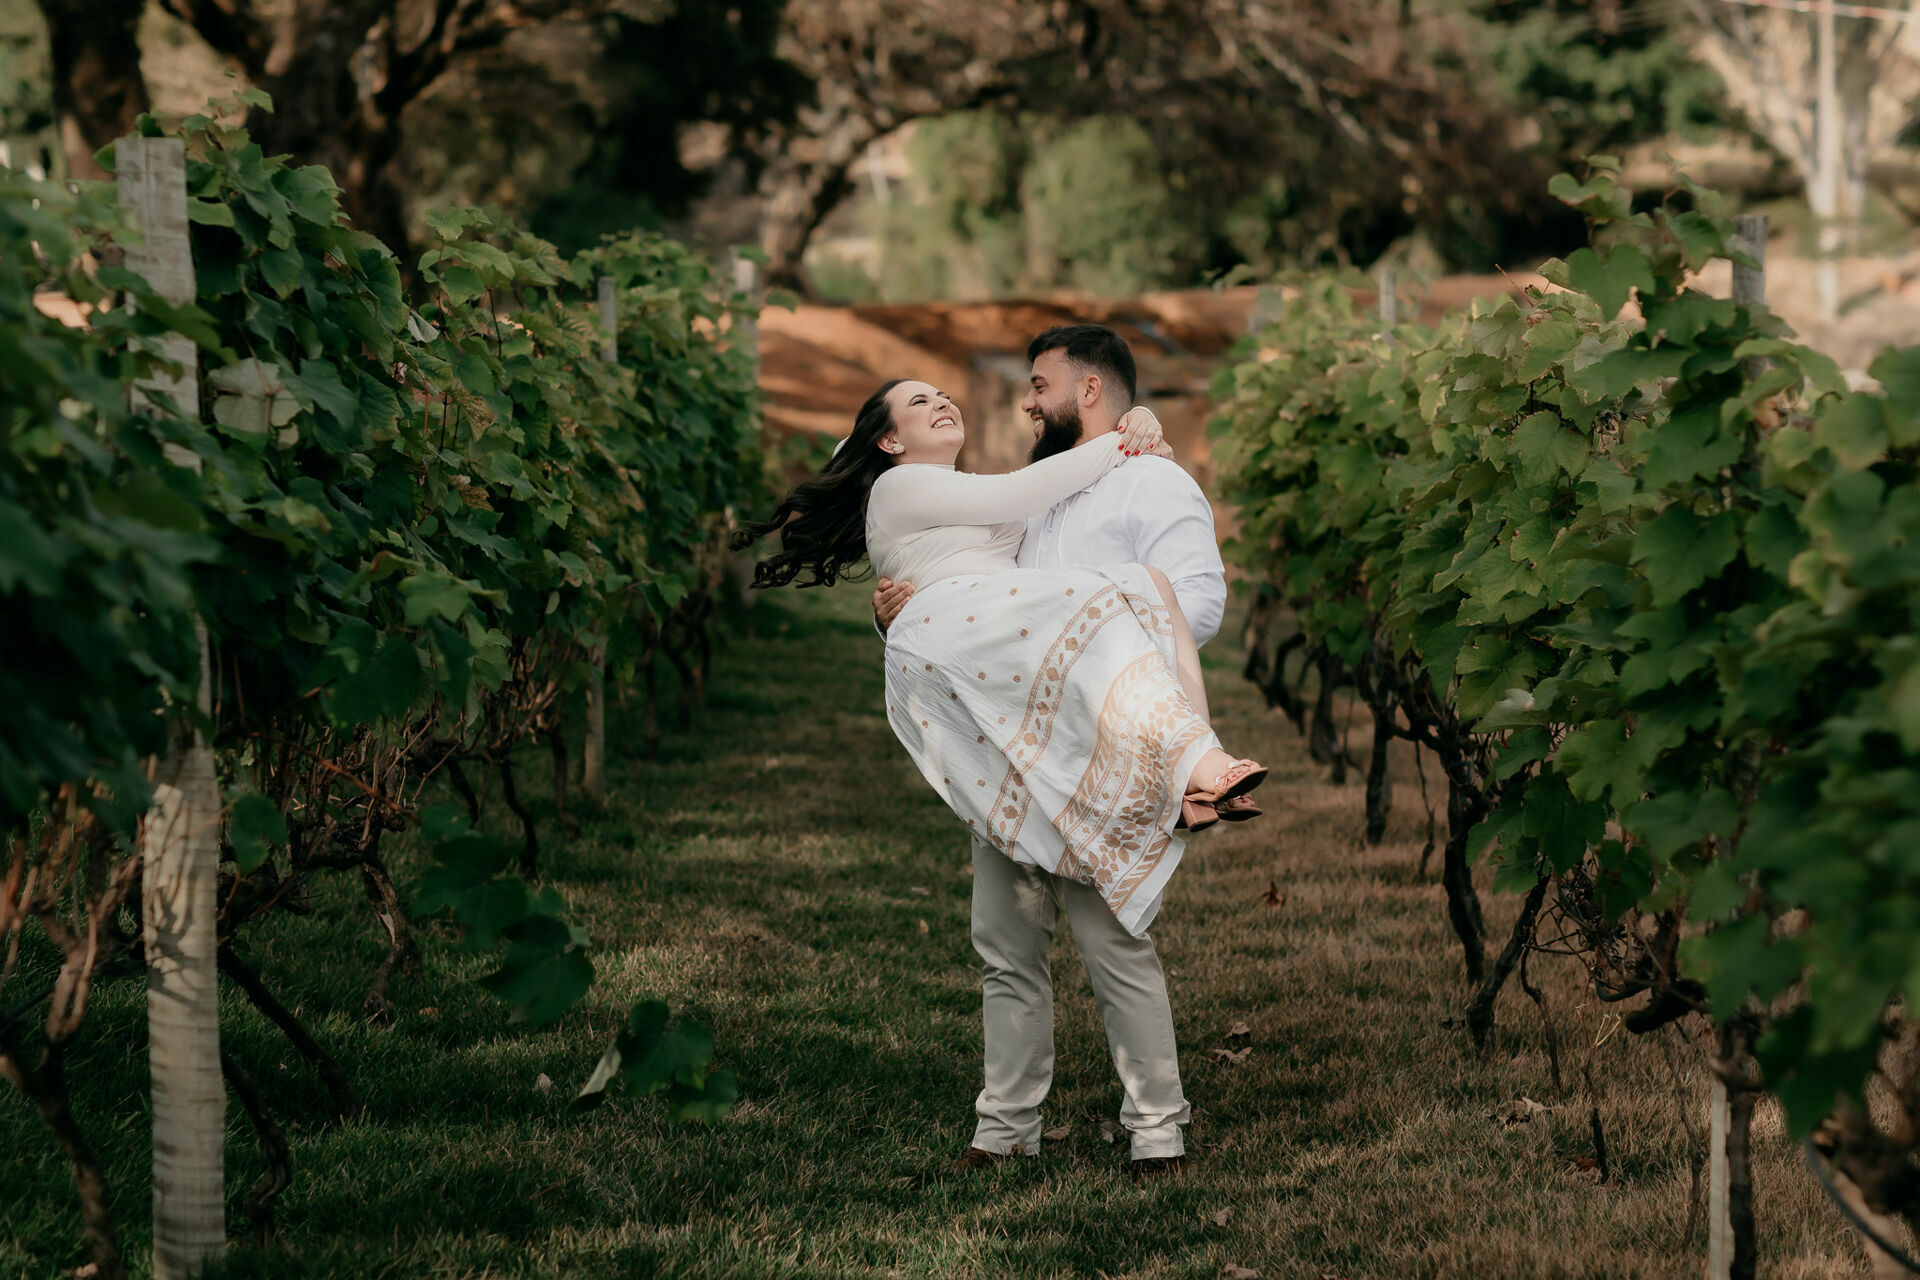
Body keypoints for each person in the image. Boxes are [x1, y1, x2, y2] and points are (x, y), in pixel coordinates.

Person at [870, 324, 1235, 1180]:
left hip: (1099, 747)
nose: (1025, 402)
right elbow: (964, 590)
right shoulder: (1035, 496)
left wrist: (1088, 614)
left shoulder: (1152, 482)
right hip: (1012, 744)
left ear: (1092, 391)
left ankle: (1158, 1132)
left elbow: (1197, 606)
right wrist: (895, 610)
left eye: (1039, 387)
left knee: (1113, 946)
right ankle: (1004, 1131)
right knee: (1004, 944)